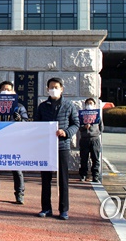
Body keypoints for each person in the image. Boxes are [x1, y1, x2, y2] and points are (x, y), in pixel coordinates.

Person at [34, 77, 79, 221]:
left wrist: (66, 132)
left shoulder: (69, 106)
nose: (53, 89)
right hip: (46, 147)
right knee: (45, 179)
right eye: (51, 87)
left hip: (62, 146)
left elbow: (76, 124)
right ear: (47, 89)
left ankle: (64, 209)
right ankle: (46, 208)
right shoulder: (42, 106)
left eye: (56, 87)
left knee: (63, 180)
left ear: (61, 89)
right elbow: (36, 124)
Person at [0, 81, 28, 204]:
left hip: (14, 141)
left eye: (8, 89)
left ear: (13, 92)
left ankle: (19, 194)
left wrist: (20, 119)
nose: (5, 91)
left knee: (17, 169)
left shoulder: (19, 107)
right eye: (3, 89)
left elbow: (26, 123)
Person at [78, 98, 104, 183]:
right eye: (88, 103)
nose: (89, 105)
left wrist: (96, 133)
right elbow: (78, 127)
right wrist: (84, 127)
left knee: (95, 158)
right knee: (83, 158)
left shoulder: (97, 115)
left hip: (94, 139)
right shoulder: (81, 115)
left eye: (91, 103)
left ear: (94, 105)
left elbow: (101, 127)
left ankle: (95, 176)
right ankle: (83, 175)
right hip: (84, 139)